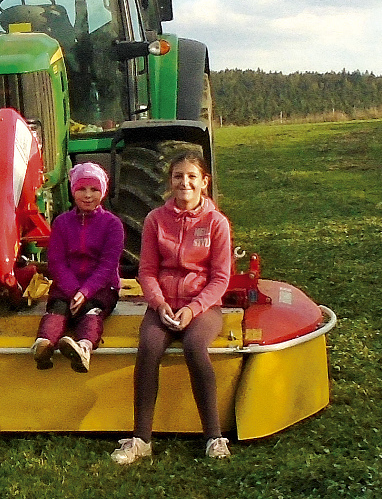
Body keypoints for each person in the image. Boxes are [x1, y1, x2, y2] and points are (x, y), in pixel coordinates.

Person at [112, 150, 233, 463]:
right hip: (163, 305)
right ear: (169, 182)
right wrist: (160, 303)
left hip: (202, 308)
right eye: (178, 176)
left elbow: (221, 279)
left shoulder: (217, 223)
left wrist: (193, 309)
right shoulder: (155, 220)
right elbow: (147, 271)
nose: (185, 183)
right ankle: (141, 439)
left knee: (195, 348)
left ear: (204, 183)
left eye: (192, 177)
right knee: (149, 347)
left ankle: (214, 437)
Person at [31, 162, 124, 373]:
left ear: (103, 192)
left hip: (101, 287)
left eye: (94, 189)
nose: (88, 195)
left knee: (92, 311)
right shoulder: (62, 223)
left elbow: (108, 265)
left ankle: (83, 347)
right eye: (82, 189)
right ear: (73, 191)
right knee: (57, 310)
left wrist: (85, 291)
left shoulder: (112, 225)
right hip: (66, 286)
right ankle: (43, 344)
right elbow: (56, 261)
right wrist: (73, 290)